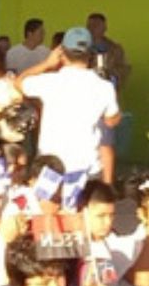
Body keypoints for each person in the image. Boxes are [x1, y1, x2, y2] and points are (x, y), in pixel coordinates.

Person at [16, 26, 121, 183]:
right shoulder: (104, 87)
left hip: (50, 166)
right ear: (91, 54)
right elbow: (111, 120)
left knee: (49, 207)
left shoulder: (49, 82)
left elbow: (19, 83)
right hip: (87, 168)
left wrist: (46, 63)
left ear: (61, 52)